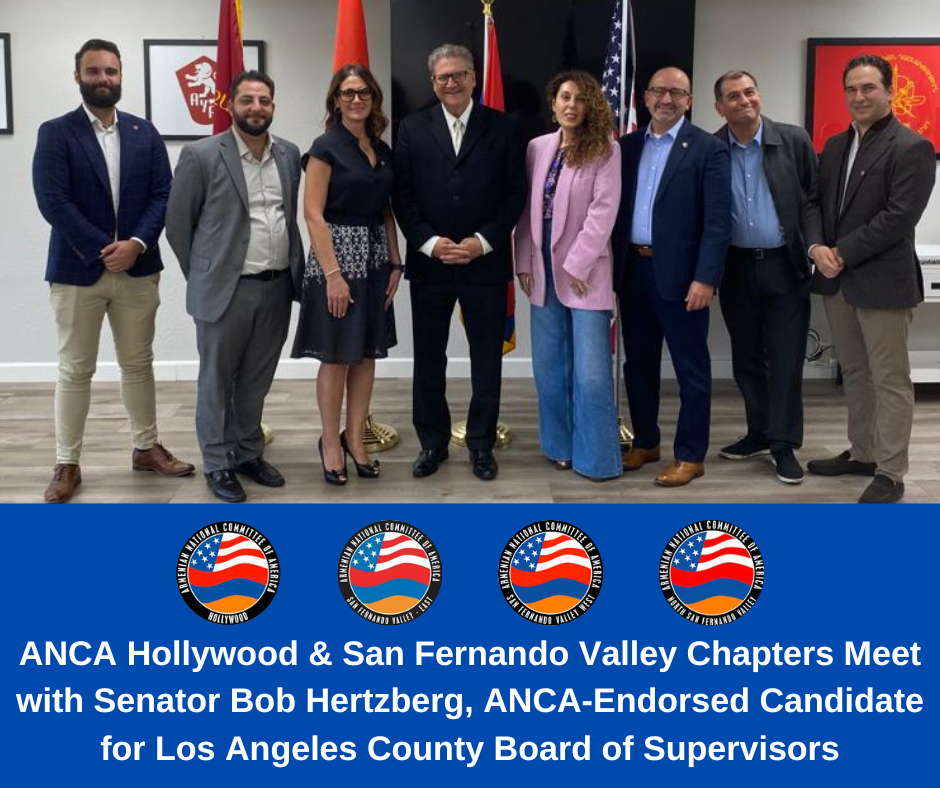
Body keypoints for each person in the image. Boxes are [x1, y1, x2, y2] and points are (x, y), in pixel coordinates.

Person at [32, 38, 194, 504]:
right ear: (78, 76)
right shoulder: (56, 132)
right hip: (76, 269)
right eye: (94, 71)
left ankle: (146, 448)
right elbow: (53, 201)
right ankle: (67, 462)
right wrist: (105, 249)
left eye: (111, 71)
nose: (104, 79)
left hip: (138, 270)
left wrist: (137, 244)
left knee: (138, 364)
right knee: (75, 368)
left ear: (122, 76)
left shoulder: (146, 133)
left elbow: (165, 194)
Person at [166, 71, 304, 503]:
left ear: (273, 107)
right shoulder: (202, 154)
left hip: (277, 284)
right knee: (216, 381)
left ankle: (247, 452)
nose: (256, 108)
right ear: (231, 105)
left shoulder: (289, 154)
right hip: (225, 290)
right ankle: (217, 463)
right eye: (247, 100)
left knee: (256, 380)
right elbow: (177, 226)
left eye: (264, 100)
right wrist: (205, 275)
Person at [804, 54, 936, 503]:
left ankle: (892, 472)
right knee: (855, 372)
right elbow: (816, 204)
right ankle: (863, 452)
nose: (859, 97)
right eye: (852, 89)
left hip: (882, 281)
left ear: (889, 91)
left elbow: (899, 217)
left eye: (869, 88)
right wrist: (817, 246)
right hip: (837, 280)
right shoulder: (835, 145)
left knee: (890, 378)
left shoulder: (912, 146)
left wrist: (841, 251)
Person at [394, 44, 526, 482]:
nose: (451, 83)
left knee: (486, 359)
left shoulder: (504, 127)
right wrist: (431, 243)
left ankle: (481, 444)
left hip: (484, 264)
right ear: (433, 82)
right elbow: (403, 197)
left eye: (459, 75)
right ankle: (432, 443)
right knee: (429, 359)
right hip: (431, 264)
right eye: (442, 77)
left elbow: (514, 195)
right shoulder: (412, 128)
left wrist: (482, 242)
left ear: (473, 77)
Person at [612, 66, 731, 487]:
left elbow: (718, 222)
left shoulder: (707, 149)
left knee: (690, 370)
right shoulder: (624, 146)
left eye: (676, 93)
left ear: (689, 100)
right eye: (659, 92)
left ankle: (691, 455)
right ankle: (646, 443)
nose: (666, 99)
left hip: (683, 279)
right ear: (645, 98)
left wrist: (706, 278)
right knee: (638, 366)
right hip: (632, 272)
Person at [291, 64, 401, 485]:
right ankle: (330, 443)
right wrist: (335, 275)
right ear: (336, 100)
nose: (356, 99)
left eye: (364, 92)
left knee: (366, 354)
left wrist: (396, 263)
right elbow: (312, 215)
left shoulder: (382, 149)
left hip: (375, 262)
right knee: (337, 356)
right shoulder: (325, 147)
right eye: (348, 92)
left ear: (373, 98)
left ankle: (355, 438)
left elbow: (387, 212)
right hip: (335, 261)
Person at [514, 71, 622, 481]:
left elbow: (603, 212)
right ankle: (558, 446)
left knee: (592, 373)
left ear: (590, 105)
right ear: (553, 103)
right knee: (549, 366)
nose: (572, 105)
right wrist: (524, 261)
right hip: (540, 267)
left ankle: (596, 459)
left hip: (585, 270)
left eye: (580, 98)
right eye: (564, 97)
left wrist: (576, 264)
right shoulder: (537, 147)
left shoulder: (606, 150)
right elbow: (526, 212)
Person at [712, 70, 818, 485]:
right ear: (720, 107)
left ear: (759, 95)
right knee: (747, 358)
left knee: (787, 358)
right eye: (733, 96)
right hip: (735, 267)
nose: (744, 100)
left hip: (784, 264)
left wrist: (813, 249)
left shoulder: (793, 140)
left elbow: (813, 200)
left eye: (750, 91)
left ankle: (784, 445)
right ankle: (758, 432)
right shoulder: (711, 148)